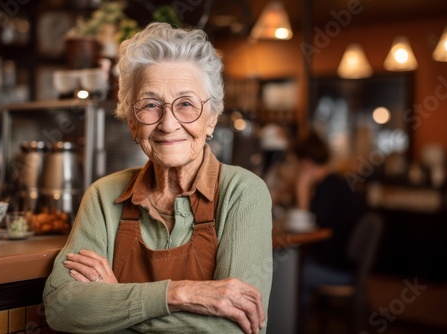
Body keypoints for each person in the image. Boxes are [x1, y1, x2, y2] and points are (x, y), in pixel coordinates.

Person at [43, 22, 273, 334]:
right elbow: (62, 308)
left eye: (186, 104)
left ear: (212, 119)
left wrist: (114, 302)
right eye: (151, 105)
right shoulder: (103, 195)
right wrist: (180, 295)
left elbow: (233, 328)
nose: (168, 124)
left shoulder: (243, 193)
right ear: (132, 124)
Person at [290, 131, 365, 325]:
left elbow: (306, 229)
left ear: (306, 163)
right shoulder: (338, 184)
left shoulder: (327, 189)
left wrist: (302, 190)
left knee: (292, 275)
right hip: (348, 264)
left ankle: (295, 327)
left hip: (337, 268)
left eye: (298, 163)